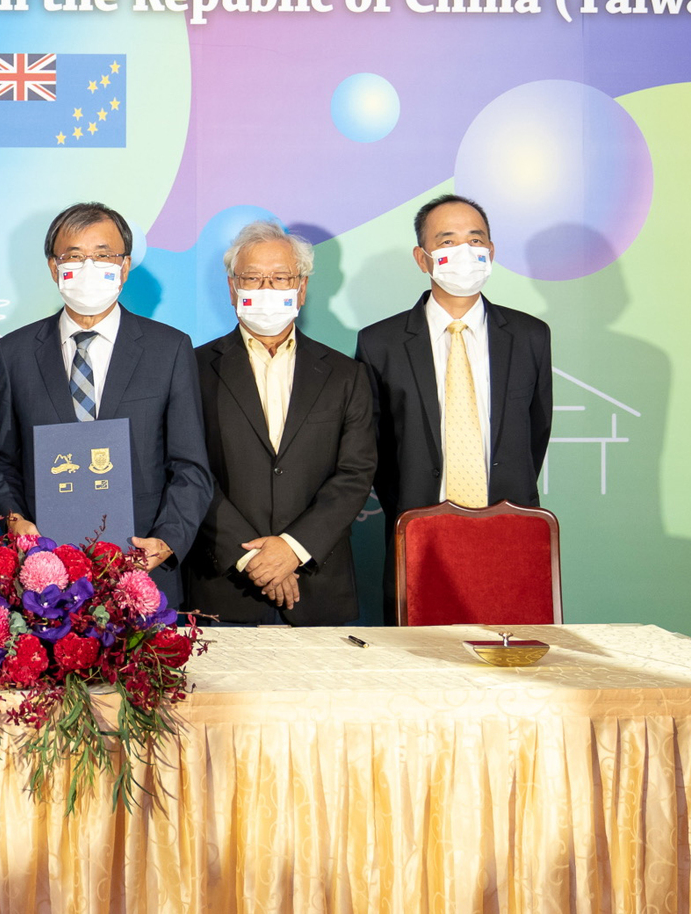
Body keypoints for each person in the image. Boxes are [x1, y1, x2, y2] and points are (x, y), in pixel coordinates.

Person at [0, 201, 211, 606]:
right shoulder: (15, 353)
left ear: (125, 267)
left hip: (141, 569)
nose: (89, 267)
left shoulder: (170, 349)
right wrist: (15, 519)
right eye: (74, 256)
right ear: (54, 268)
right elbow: (4, 460)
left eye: (104, 255)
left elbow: (190, 465)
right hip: (44, 576)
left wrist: (166, 539)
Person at [355, 194, 553, 607]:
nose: (464, 251)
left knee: (514, 657)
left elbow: (537, 430)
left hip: (511, 528)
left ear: (491, 252)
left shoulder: (531, 336)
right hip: (420, 532)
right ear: (422, 258)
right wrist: (410, 507)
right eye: (446, 241)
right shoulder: (380, 343)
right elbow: (375, 446)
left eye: (475, 239)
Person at [186, 221, 375, 626]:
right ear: (233, 288)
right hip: (223, 589)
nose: (267, 289)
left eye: (280, 278)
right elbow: (190, 472)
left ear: (301, 288)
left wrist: (292, 549)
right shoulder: (191, 370)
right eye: (253, 278)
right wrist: (254, 559)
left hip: (318, 588)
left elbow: (355, 474)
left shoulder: (346, 374)